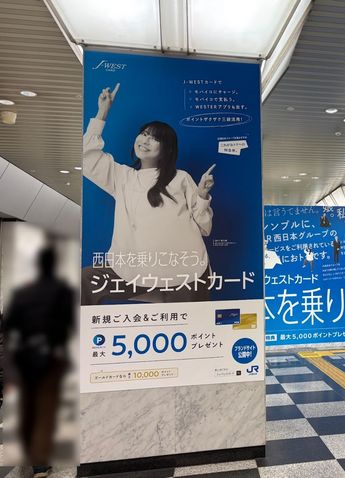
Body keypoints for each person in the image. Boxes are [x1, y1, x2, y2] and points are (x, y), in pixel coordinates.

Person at [81, 84, 214, 304]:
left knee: (191, 323)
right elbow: (87, 158)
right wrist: (102, 113)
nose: (145, 140)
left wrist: (201, 196)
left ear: (167, 149)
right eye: (144, 134)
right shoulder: (123, 177)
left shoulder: (181, 178)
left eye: (154, 138)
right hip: (134, 268)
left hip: (184, 270)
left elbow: (204, 227)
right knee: (85, 281)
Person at [4, 246, 74, 476]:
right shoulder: (63, 292)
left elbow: (8, 327)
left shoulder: (22, 293)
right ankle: (41, 462)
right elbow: (69, 325)